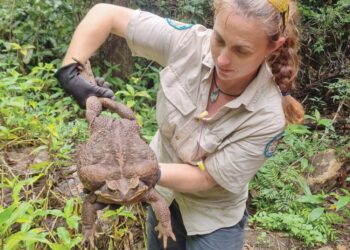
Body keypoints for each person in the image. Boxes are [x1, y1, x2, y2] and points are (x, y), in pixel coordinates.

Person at [55, 0, 305, 249]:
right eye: (218, 39)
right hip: (163, 197)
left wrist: (137, 175)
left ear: (273, 48)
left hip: (212, 218)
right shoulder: (189, 43)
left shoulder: (268, 115)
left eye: (241, 51)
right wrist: (70, 72)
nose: (223, 59)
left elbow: (207, 178)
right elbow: (106, 15)